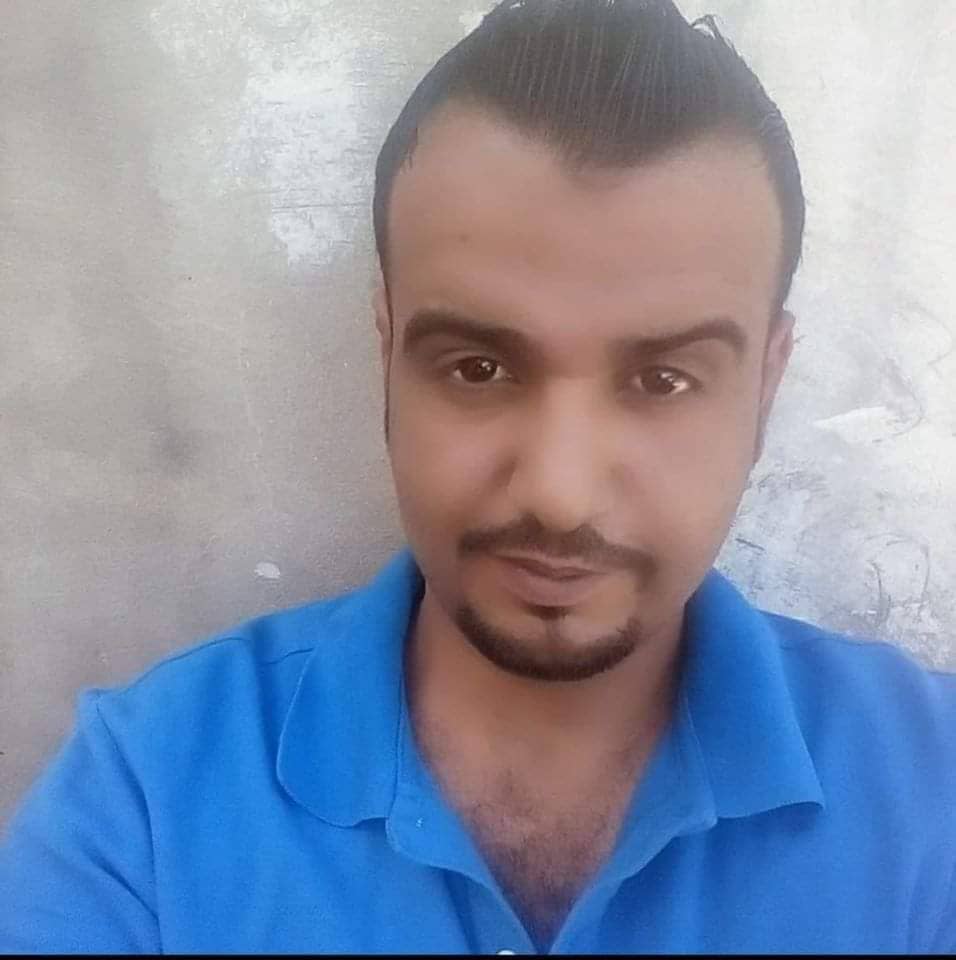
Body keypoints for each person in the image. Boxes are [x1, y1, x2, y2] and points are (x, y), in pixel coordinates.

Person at [2, 0, 954, 953]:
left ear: (767, 384)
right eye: (479, 368)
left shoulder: (932, 789)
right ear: (386, 350)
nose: (559, 495)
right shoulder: (147, 804)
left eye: (663, 380)